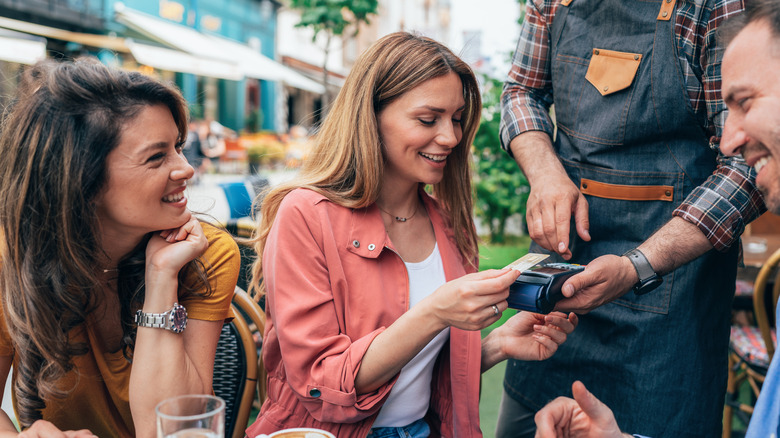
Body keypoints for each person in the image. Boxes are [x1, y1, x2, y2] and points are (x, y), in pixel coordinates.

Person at [245, 32, 578, 438]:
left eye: (456, 119)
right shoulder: (306, 214)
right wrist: (435, 312)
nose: (451, 137)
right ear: (371, 115)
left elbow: (416, 377)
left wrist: (496, 345)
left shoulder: (449, 223)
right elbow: (321, 382)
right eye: (428, 119)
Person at [497, 0, 765, 436]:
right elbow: (520, 91)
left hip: (666, 317)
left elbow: (749, 161)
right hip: (554, 298)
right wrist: (545, 173)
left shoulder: (713, 7)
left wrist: (636, 265)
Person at [0, 59, 240, 437]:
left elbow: (170, 429)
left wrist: (162, 277)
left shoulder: (206, 253)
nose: (186, 169)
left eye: (178, 146)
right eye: (157, 156)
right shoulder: (11, 258)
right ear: (83, 178)